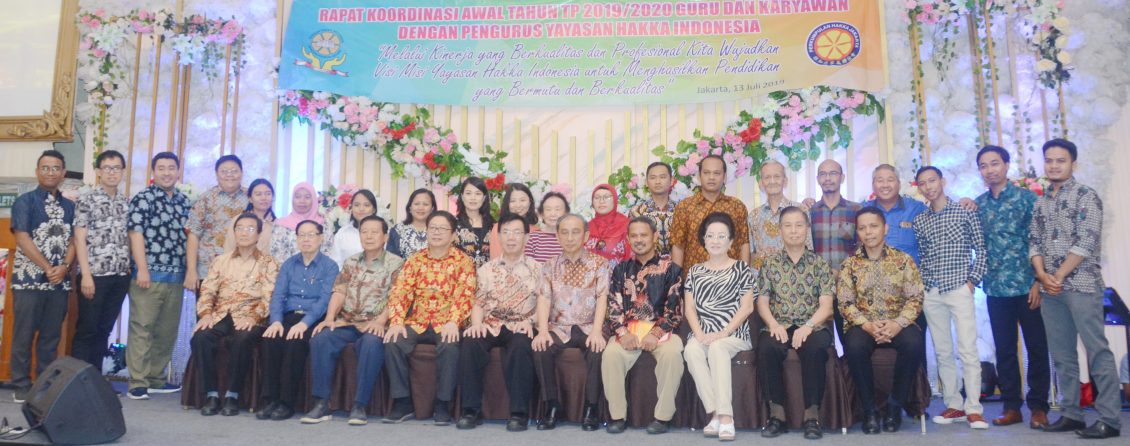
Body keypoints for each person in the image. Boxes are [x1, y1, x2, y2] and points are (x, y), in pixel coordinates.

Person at [1030, 139, 1120, 439]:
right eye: (1049, 160)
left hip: (1081, 285)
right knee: (1062, 354)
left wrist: (1056, 275)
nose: (1054, 165)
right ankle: (1071, 413)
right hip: (1051, 291)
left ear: (1073, 163)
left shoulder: (1086, 196)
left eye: (1061, 160)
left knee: (1097, 351)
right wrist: (1042, 275)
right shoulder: (1041, 202)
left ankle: (1110, 419)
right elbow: (1034, 242)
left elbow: (1086, 241)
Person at [972, 145, 1049, 428]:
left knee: (1036, 348)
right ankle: (1012, 407)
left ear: (1006, 165)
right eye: (983, 165)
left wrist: (1039, 280)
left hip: (1028, 286)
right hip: (996, 288)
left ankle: (1039, 407)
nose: (989, 170)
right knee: (1004, 351)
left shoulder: (1028, 199)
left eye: (995, 163)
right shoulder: (979, 204)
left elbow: (1040, 241)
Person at [302, 216, 404, 426]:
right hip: (347, 322)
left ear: (385, 237)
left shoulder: (396, 263)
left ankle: (359, 405)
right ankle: (321, 403)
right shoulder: (351, 262)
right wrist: (329, 318)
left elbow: (397, 297)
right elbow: (339, 291)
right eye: (364, 232)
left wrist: (381, 321)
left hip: (375, 323)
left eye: (374, 232)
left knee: (371, 343)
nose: (369, 236)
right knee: (321, 339)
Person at [911, 166, 989, 429]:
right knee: (943, 351)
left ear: (942, 181)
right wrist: (924, 285)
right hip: (932, 291)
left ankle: (974, 408)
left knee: (967, 349)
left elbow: (981, 249)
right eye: (923, 183)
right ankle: (954, 405)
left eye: (932, 181)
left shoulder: (965, 211)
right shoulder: (921, 220)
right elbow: (923, 255)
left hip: (959, 288)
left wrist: (972, 281)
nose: (928, 187)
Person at [382, 211, 476, 425]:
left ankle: (443, 404)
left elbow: (465, 294)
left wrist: (454, 321)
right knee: (393, 341)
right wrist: (396, 321)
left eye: (443, 229)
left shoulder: (463, 261)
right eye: (433, 228)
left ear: (453, 235)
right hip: (418, 320)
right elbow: (400, 292)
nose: (437, 232)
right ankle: (402, 402)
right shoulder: (415, 260)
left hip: (447, 321)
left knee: (450, 345)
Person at [839, 207, 925, 434]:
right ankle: (870, 411)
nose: (868, 232)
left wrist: (897, 324)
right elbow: (845, 303)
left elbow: (915, 298)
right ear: (858, 232)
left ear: (885, 228)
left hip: (897, 322)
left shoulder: (903, 260)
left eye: (873, 226)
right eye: (862, 228)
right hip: (863, 324)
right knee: (854, 346)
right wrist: (866, 324)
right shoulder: (850, 264)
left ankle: (895, 406)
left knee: (914, 343)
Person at [190, 213, 280, 417]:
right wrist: (205, 314)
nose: (244, 233)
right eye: (240, 228)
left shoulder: (269, 263)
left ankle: (232, 395)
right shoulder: (220, 261)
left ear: (258, 235)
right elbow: (208, 291)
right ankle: (211, 394)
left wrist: (254, 317)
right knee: (200, 337)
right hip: (221, 314)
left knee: (242, 338)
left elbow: (270, 296)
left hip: (251, 316)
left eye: (250, 229)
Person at [756, 207, 835, 440]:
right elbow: (762, 302)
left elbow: (826, 306)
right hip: (779, 323)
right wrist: (773, 324)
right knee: (767, 347)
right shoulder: (770, 263)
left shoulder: (820, 264)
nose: (793, 231)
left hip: (812, 324)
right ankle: (777, 417)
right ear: (780, 230)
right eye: (788, 225)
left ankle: (812, 418)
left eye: (799, 225)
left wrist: (808, 326)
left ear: (807, 229)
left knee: (816, 348)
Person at [457, 214, 540, 432]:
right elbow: (479, 302)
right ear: (499, 237)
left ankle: (519, 413)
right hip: (491, 322)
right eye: (506, 232)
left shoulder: (538, 269)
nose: (511, 237)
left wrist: (531, 322)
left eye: (517, 232)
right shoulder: (487, 269)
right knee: (471, 341)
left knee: (521, 344)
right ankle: (470, 410)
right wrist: (476, 324)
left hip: (521, 323)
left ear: (527, 238)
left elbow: (544, 303)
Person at [603, 216, 684, 434]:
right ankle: (617, 416)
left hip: (661, 330)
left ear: (655, 236)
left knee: (672, 354)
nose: (639, 240)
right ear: (628, 239)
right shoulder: (621, 270)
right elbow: (614, 307)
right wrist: (622, 333)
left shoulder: (672, 270)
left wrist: (655, 333)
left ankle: (662, 417)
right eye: (634, 236)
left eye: (644, 235)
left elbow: (674, 310)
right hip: (629, 331)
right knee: (611, 354)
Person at [531, 213, 611, 431]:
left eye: (575, 232)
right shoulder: (549, 265)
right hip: (559, 327)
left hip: (588, 325)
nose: (570, 237)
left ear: (586, 236)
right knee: (540, 347)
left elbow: (602, 297)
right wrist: (542, 330)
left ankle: (591, 408)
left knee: (597, 349)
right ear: (557, 236)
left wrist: (597, 331)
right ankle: (552, 405)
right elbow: (544, 298)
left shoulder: (600, 263)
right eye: (564, 233)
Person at [9, 150, 75, 403]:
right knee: (23, 335)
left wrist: (64, 267)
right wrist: (48, 268)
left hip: (59, 283)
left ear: (63, 173)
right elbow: (22, 237)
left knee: (51, 337)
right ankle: (21, 383)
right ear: (37, 171)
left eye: (56, 168)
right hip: (29, 280)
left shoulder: (70, 206)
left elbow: (74, 240)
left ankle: (44, 384)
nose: (50, 172)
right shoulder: (24, 201)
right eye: (45, 168)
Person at [683, 213, 756, 441]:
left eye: (721, 236)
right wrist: (699, 334)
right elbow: (689, 309)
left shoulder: (741, 269)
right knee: (691, 350)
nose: (715, 240)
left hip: (734, 334)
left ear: (731, 241)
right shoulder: (694, 271)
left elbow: (747, 308)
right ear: (703, 239)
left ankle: (725, 417)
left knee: (718, 347)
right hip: (703, 332)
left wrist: (723, 333)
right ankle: (714, 411)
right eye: (711, 236)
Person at [125, 152, 191, 400]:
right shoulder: (144, 198)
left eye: (171, 168)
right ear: (153, 172)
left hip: (176, 277)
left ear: (178, 171)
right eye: (161, 168)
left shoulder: (184, 201)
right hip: (148, 276)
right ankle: (138, 382)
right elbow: (135, 233)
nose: (167, 172)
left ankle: (155, 378)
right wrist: (142, 268)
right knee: (142, 328)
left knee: (166, 331)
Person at [258, 220, 339, 420]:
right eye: (302, 235)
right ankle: (270, 400)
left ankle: (286, 403)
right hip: (288, 315)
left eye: (311, 235)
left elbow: (324, 300)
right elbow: (278, 295)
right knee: (270, 339)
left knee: (295, 342)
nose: (306, 239)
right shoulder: (289, 264)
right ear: (296, 239)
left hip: (313, 318)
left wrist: (304, 324)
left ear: (321, 238)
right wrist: (276, 321)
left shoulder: (330, 266)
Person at [71, 150, 130, 369]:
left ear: (123, 172)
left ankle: (95, 379)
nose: (112, 173)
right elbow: (79, 238)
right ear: (98, 171)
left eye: (117, 168)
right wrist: (85, 275)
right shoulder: (87, 199)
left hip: (120, 276)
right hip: (94, 275)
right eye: (107, 168)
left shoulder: (125, 202)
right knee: (87, 329)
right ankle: (76, 379)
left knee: (104, 330)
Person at [806, 159, 861, 343]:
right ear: (817, 179)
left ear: (842, 178)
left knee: (852, 342)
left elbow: (861, 248)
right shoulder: (810, 212)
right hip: (817, 289)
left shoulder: (856, 210)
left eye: (833, 173)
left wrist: (842, 271)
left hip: (848, 287)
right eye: (823, 174)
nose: (827, 178)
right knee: (821, 343)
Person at [670, 155, 750, 273]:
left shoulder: (737, 206)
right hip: (695, 279)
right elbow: (678, 245)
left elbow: (744, 243)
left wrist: (744, 275)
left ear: (724, 177)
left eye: (717, 173)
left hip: (731, 278)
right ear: (699, 176)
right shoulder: (684, 207)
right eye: (706, 173)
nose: (711, 177)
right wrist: (676, 279)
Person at [185, 154, 248, 291]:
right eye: (224, 171)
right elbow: (193, 234)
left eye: (234, 171)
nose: (229, 175)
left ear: (242, 173)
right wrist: (191, 270)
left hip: (242, 272)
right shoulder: (205, 199)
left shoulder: (251, 198)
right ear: (216, 174)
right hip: (208, 270)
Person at [748, 160, 810, 276]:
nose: (772, 181)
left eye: (777, 176)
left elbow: (809, 249)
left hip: (794, 277)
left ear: (785, 181)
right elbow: (751, 254)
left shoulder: (801, 210)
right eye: (767, 177)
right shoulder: (753, 216)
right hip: (761, 278)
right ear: (761, 183)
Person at [270, 181, 332, 263]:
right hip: (287, 270)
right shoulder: (281, 225)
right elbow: (276, 256)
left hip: (320, 270)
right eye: (298, 197)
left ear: (314, 200)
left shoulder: (324, 224)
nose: (302, 201)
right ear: (292, 199)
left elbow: (328, 252)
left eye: (307, 197)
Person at [630, 162, 678, 257]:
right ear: (646, 182)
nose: (658, 181)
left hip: (677, 265)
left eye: (662, 177)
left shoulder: (682, 210)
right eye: (653, 178)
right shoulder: (636, 212)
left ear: (672, 180)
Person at [223, 178, 275, 254]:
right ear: (250, 199)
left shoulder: (278, 225)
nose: (264, 198)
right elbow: (229, 250)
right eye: (258, 194)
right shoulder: (238, 220)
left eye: (268, 194)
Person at [585, 184, 631, 266]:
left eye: (606, 197)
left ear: (615, 200)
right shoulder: (586, 228)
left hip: (619, 273)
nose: (601, 201)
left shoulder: (627, 226)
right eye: (597, 198)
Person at [331, 189, 380, 264]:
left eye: (366, 205)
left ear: (374, 209)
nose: (361, 209)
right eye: (357, 205)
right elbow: (335, 263)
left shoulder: (382, 233)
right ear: (351, 208)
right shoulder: (342, 233)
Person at [454, 177, 495, 267]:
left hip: (488, 275)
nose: (473, 198)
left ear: (484, 197)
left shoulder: (493, 225)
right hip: (460, 274)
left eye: (478, 193)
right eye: (468, 193)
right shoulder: (452, 224)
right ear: (462, 196)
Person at [491, 183, 539, 258]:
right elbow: (496, 259)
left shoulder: (537, 232)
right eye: (513, 201)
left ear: (530, 202)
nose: (518, 205)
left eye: (522, 200)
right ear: (507, 204)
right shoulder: (499, 228)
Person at [385, 188, 434, 259]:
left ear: (432, 209)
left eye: (426, 204)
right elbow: (390, 260)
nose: (421, 208)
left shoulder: (440, 229)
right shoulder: (398, 230)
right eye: (416, 204)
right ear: (410, 208)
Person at [525, 192, 568, 262]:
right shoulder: (532, 238)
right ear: (541, 214)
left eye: (557, 209)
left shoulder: (571, 238)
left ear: (565, 213)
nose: (553, 214)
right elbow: (527, 266)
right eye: (548, 209)